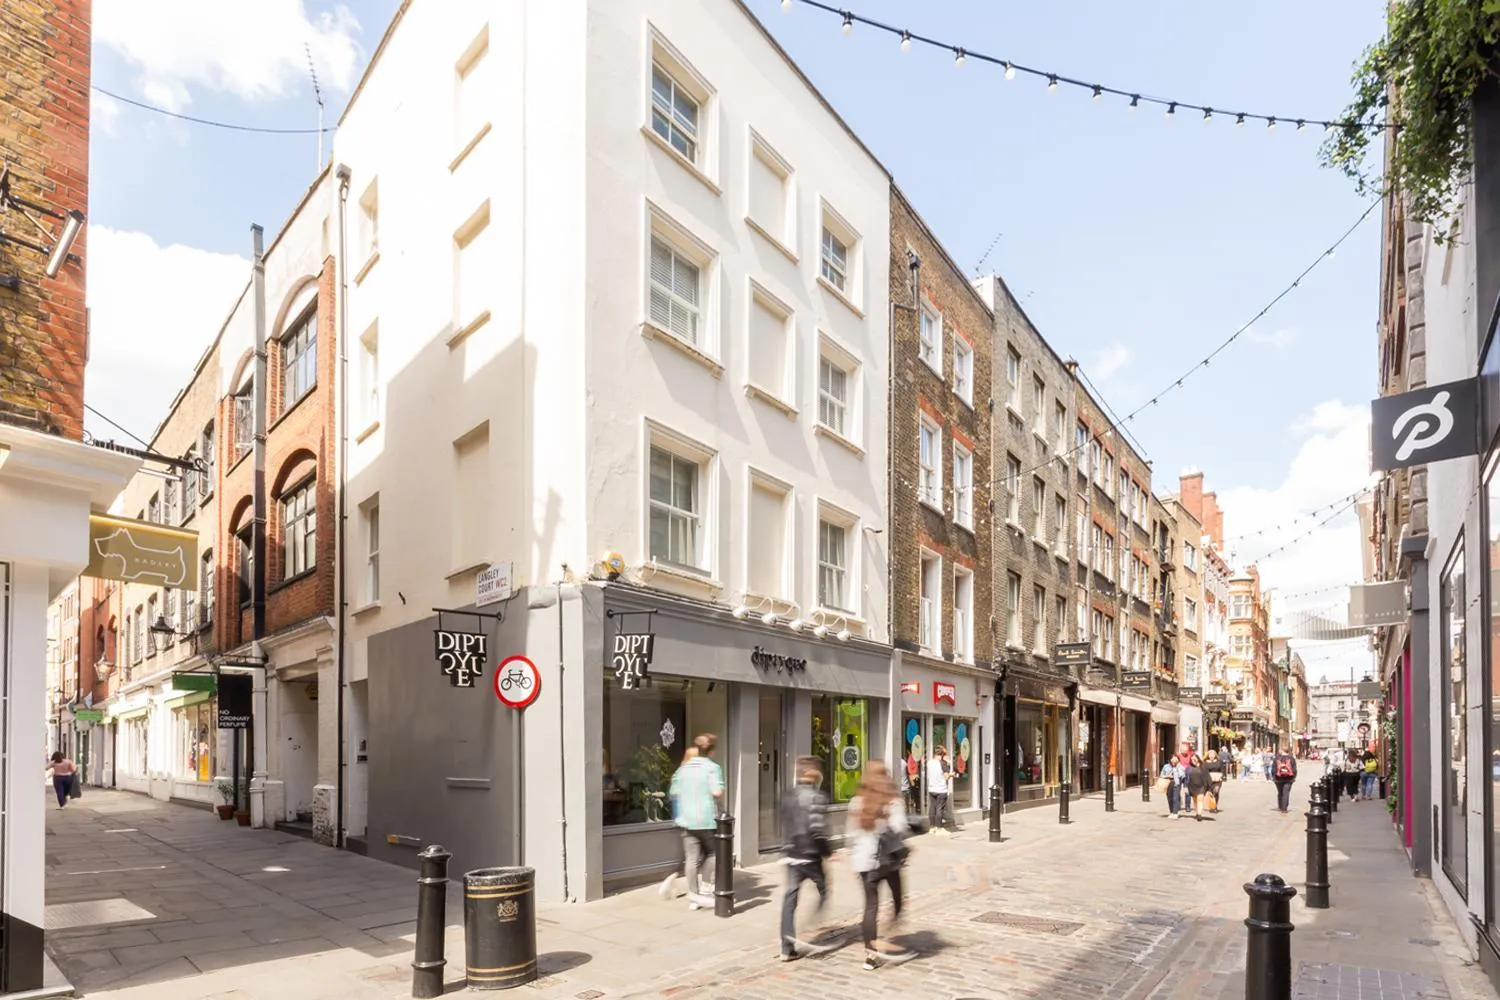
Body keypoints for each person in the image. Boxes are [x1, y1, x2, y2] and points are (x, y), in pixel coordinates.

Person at [849, 761, 916, 971]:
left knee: (870, 907)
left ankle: (870, 955)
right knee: (898, 899)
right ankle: (892, 930)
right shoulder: (893, 801)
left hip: (863, 862)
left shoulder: (857, 802)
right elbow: (900, 830)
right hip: (887, 862)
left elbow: (851, 834)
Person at [779, 756, 831, 962]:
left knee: (789, 899)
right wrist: (828, 851)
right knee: (824, 890)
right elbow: (816, 830)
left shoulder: (787, 795)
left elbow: (783, 821)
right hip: (810, 855)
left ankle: (786, 947)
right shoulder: (816, 797)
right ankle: (811, 924)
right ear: (811, 772)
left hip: (791, 854)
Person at [670, 734, 724, 911]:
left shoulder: (682, 770)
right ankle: (707, 886)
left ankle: (694, 896)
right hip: (706, 819)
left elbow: (674, 792)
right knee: (714, 854)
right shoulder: (712, 768)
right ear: (712, 751)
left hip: (686, 819)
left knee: (691, 859)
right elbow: (717, 792)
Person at [659, 745, 699, 899]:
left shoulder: (678, 773)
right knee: (693, 854)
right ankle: (674, 881)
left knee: (688, 854)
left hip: (682, 817)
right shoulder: (689, 775)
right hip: (691, 818)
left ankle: (672, 881)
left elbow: (672, 795)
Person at [926, 746, 955, 836]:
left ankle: (932, 828)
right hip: (941, 789)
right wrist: (951, 774)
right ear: (942, 754)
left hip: (932, 789)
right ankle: (938, 828)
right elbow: (946, 777)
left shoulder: (929, 763)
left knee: (932, 808)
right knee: (939, 809)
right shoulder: (943, 763)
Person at [1272, 746, 1298, 813]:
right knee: (1286, 793)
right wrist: (1293, 777)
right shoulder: (1291, 759)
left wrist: (1273, 777)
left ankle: (1280, 806)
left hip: (1278, 778)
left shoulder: (1277, 758)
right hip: (1289, 779)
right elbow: (1294, 770)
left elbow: (1273, 769)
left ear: (1281, 750)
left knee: (1280, 792)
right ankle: (1284, 808)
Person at [1186, 754, 1211, 821]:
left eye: (1194, 759)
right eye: (1191, 760)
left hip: (1201, 786)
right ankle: (1197, 812)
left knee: (1200, 799)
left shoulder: (1203, 766)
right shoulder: (1189, 768)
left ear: (1198, 759)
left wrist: (1209, 787)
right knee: (1195, 800)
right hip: (1192, 786)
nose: (1193, 761)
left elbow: (1207, 777)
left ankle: (1199, 814)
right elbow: (1186, 778)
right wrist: (1185, 787)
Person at [1161, 754, 1182, 819]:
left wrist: (1176, 768)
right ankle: (1171, 812)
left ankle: (1175, 813)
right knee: (1169, 798)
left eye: (1176, 759)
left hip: (1176, 783)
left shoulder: (1180, 766)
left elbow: (1181, 775)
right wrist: (1167, 776)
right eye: (1173, 758)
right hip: (1168, 783)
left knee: (1175, 798)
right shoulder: (1166, 766)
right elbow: (1162, 775)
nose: (1174, 760)